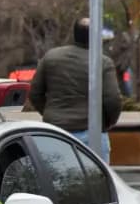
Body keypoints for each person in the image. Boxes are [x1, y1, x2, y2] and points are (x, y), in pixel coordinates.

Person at [28, 17, 122, 163]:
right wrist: (105, 123)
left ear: (74, 33)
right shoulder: (102, 62)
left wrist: (50, 112)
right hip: (91, 135)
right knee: (97, 183)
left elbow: (35, 93)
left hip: (54, 133)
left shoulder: (51, 57)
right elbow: (112, 99)